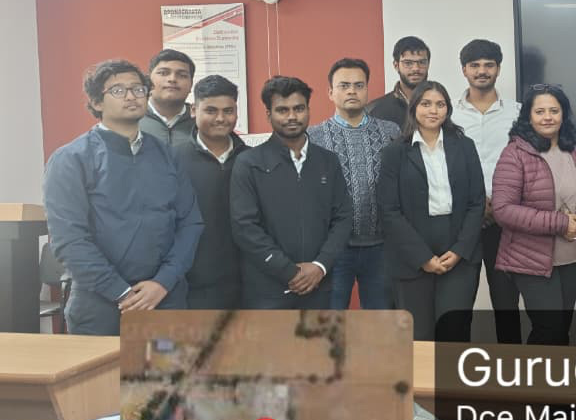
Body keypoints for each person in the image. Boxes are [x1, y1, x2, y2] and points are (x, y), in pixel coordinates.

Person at [43, 60, 201, 334]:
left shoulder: (168, 156)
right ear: (97, 102)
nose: (131, 96)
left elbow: (190, 223)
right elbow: (69, 240)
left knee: (167, 365)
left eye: (138, 89)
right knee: (105, 367)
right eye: (118, 90)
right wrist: (122, 293)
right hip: (100, 306)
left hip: (165, 298)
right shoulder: (71, 159)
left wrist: (163, 282)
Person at [231, 77, 353, 310]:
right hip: (267, 291)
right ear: (269, 115)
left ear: (308, 110)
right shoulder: (248, 163)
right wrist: (289, 271)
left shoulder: (328, 161)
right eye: (282, 110)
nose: (291, 116)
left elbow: (343, 218)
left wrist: (320, 266)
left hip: (319, 286)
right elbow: (245, 227)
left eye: (298, 108)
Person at [379, 81, 486, 341]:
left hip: (458, 251)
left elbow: (476, 202)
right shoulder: (394, 152)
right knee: (420, 336)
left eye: (440, 104)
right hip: (411, 254)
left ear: (448, 109)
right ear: (414, 108)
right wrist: (422, 257)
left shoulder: (465, 146)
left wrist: (460, 250)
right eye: (426, 104)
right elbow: (389, 210)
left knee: (454, 331)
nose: (433, 110)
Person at [491, 84, 576, 345]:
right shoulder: (516, 153)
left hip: (572, 258)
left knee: (561, 331)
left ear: (564, 114)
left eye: (554, 111)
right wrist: (561, 223)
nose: (547, 117)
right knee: (549, 330)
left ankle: (553, 373)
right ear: (528, 116)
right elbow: (503, 210)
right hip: (530, 259)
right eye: (539, 111)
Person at [307, 58, 400, 309]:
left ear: (367, 90)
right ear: (330, 92)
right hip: (334, 249)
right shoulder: (313, 137)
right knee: (330, 321)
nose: (352, 91)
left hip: (382, 247)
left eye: (359, 85)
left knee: (380, 322)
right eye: (344, 85)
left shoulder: (391, 132)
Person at [452, 39, 519, 343]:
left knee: (506, 305)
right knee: (458, 303)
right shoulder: (448, 115)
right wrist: (476, 205)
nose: (482, 71)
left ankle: (511, 367)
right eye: (475, 65)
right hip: (461, 223)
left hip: (505, 223)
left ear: (498, 69)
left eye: (488, 65)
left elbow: (525, 166)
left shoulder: (518, 114)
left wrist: (500, 203)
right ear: (464, 70)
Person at [174, 75, 246, 310]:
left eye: (228, 111)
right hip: (190, 284)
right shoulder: (172, 159)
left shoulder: (252, 159)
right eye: (211, 110)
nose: (220, 118)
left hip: (246, 283)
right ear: (194, 110)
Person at [368, 36, 430, 126]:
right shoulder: (375, 110)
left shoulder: (441, 105)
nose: (416, 68)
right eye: (408, 63)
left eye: (422, 62)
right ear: (396, 65)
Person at [140, 49, 196, 145]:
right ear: (149, 81)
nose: (172, 79)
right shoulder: (129, 119)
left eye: (182, 75)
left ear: (191, 85)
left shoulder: (201, 122)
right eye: (163, 73)